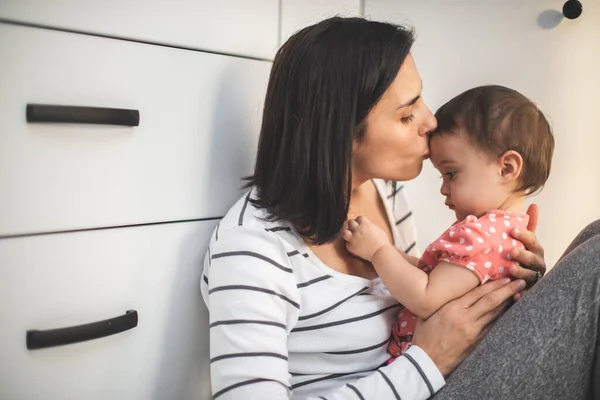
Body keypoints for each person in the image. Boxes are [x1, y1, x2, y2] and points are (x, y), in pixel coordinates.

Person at [200, 16, 599, 400]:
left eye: (421, 98)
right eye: (407, 114)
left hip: (443, 376)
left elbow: (426, 286)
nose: (430, 121)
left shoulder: (386, 194)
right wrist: (427, 362)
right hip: (425, 377)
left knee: (592, 238)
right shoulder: (251, 248)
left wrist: (508, 274)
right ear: (343, 134)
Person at [342, 85, 555, 362]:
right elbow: (433, 277)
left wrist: (379, 251)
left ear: (507, 168)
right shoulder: (506, 235)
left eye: (452, 174)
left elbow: (425, 297)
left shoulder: (480, 236)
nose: (443, 189)